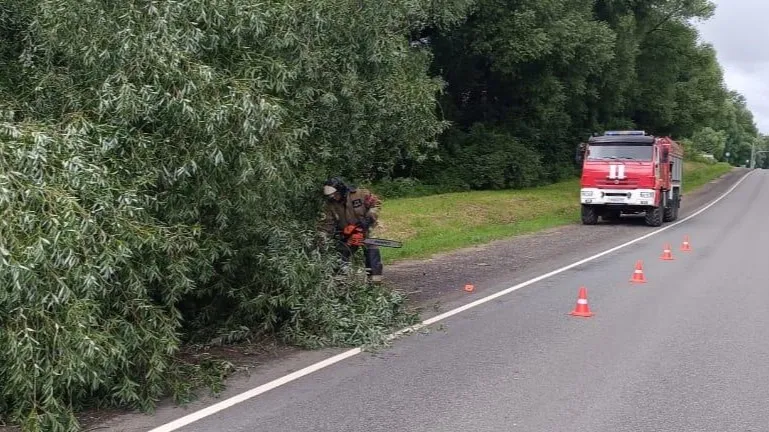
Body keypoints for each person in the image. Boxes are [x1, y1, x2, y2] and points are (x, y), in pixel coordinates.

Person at [318, 177, 384, 283]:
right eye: (331, 196)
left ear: (341, 190)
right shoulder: (330, 205)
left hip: (367, 229)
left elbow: (376, 204)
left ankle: (375, 279)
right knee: (341, 252)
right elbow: (328, 223)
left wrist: (369, 218)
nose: (334, 197)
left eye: (335, 194)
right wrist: (323, 235)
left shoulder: (360, 194)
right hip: (347, 233)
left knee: (371, 247)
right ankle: (341, 279)